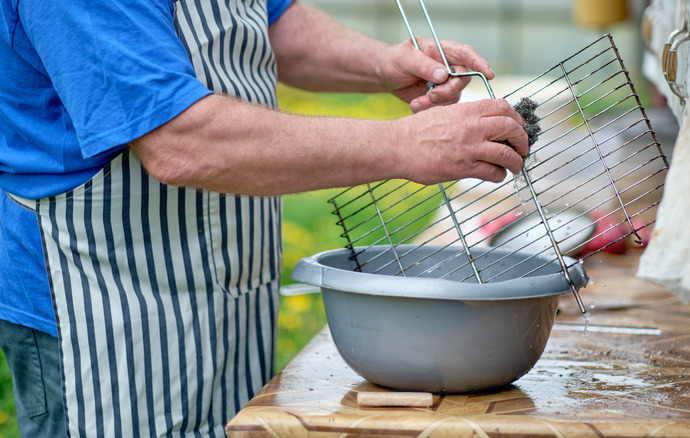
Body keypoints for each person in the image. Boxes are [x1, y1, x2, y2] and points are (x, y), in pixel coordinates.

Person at [0, 0, 529, 437]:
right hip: (102, 309)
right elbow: (179, 143)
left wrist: (379, 61)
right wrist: (404, 145)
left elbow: (263, 19)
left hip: (226, 290)